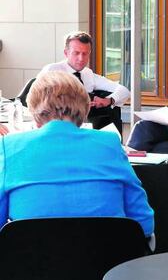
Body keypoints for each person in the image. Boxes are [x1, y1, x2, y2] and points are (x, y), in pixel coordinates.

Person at [0, 71, 154, 239]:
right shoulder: (109, 143)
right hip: (107, 260)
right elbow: (144, 223)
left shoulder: (9, 147)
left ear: (34, 112)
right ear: (86, 109)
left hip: (31, 261)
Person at [40, 31, 130, 133]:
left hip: (84, 127)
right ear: (66, 53)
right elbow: (39, 99)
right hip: (55, 127)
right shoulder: (53, 70)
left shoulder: (88, 74)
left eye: (85, 54)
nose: (81, 58)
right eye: (76, 53)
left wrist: (109, 100)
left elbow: (124, 90)